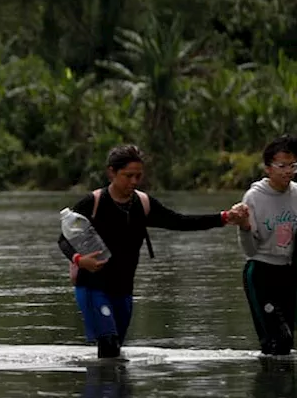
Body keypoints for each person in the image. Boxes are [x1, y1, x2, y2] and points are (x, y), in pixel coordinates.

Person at [56, 145, 247, 358]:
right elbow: (64, 240)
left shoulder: (143, 203)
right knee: (109, 344)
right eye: (128, 176)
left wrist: (222, 218)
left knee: (115, 350)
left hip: (123, 288)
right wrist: (80, 260)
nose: (134, 182)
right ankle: (102, 389)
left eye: (138, 176)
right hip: (92, 286)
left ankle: (115, 390)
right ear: (111, 172)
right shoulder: (94, 202)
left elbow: (179, 221)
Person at [235, 134, 297, 356]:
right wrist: (244, 227)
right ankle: (267, 388)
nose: (288, 171)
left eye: (293, 166)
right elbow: (250, 251)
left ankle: (282, 390)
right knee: (276, 340)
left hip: (288, 274)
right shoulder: (253, 198)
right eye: (282, 166)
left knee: (287, 345)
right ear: (268, 168)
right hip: (260, 274)